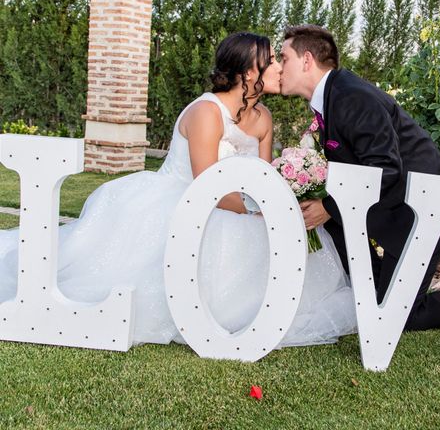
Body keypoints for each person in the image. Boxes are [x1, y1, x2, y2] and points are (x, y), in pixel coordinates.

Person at [0, 32, 357, 347]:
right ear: (250, 72)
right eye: (272, 61)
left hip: (243, 203)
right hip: (187, 200)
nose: (280, 66)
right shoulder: (205, 112)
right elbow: (207, 185)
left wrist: (274, 206)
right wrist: (256, 212)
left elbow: (264, 176)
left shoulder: (263, 117)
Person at [279, 24, 440, 330]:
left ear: (306, 60)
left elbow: (385, 168)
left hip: (428, 211)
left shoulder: (351, 97)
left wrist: (328, 208)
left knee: (399, 314)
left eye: (284, 58)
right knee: (378, 300)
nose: (278, 67)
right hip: (399, 212)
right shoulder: (333, 96)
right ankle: (383, 285)